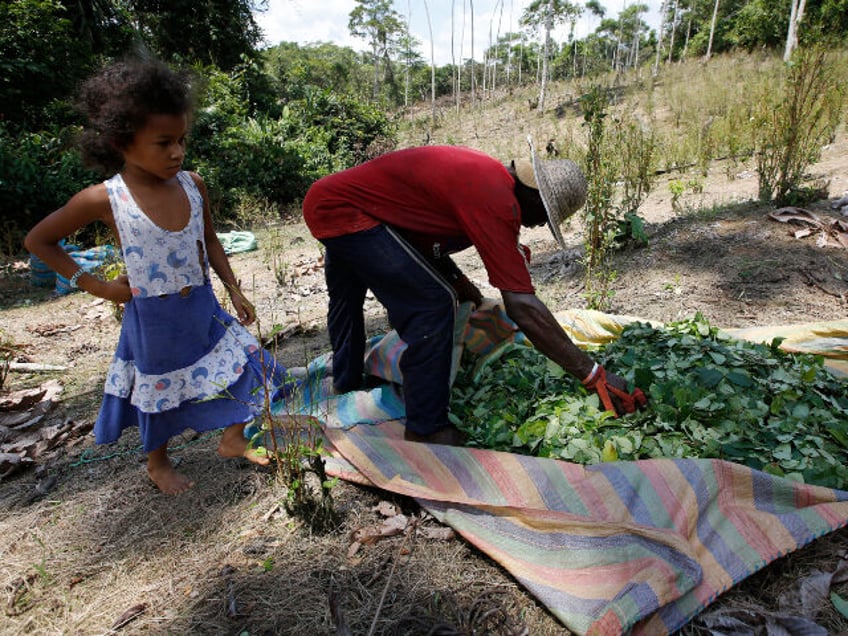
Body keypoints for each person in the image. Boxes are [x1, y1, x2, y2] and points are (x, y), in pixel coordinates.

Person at [25, 58, 288, 494]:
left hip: (203, 305)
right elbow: (39, 241)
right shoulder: (104, 198)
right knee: (156, 391)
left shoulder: (192, 184)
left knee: (249, 365)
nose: (177, 152)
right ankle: (157, 461)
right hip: (152, 320)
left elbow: (211, 241)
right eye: (163, 142)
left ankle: (232, 437)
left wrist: (233, 289)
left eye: (182, 140)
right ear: (120, 142)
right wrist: (101, 287)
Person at [302, 142, 647, 445]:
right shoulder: (497, 198)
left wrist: (458, 279)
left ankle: (345, 380)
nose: (540, 225)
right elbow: (522, 305)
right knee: (433, 306)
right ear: (534, 196)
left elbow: (420, 230)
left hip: (330, 201)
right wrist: (592, 373)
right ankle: (425, 427)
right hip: (348, 211)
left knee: (350, 297)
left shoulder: (487, 176)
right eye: (546, 216)